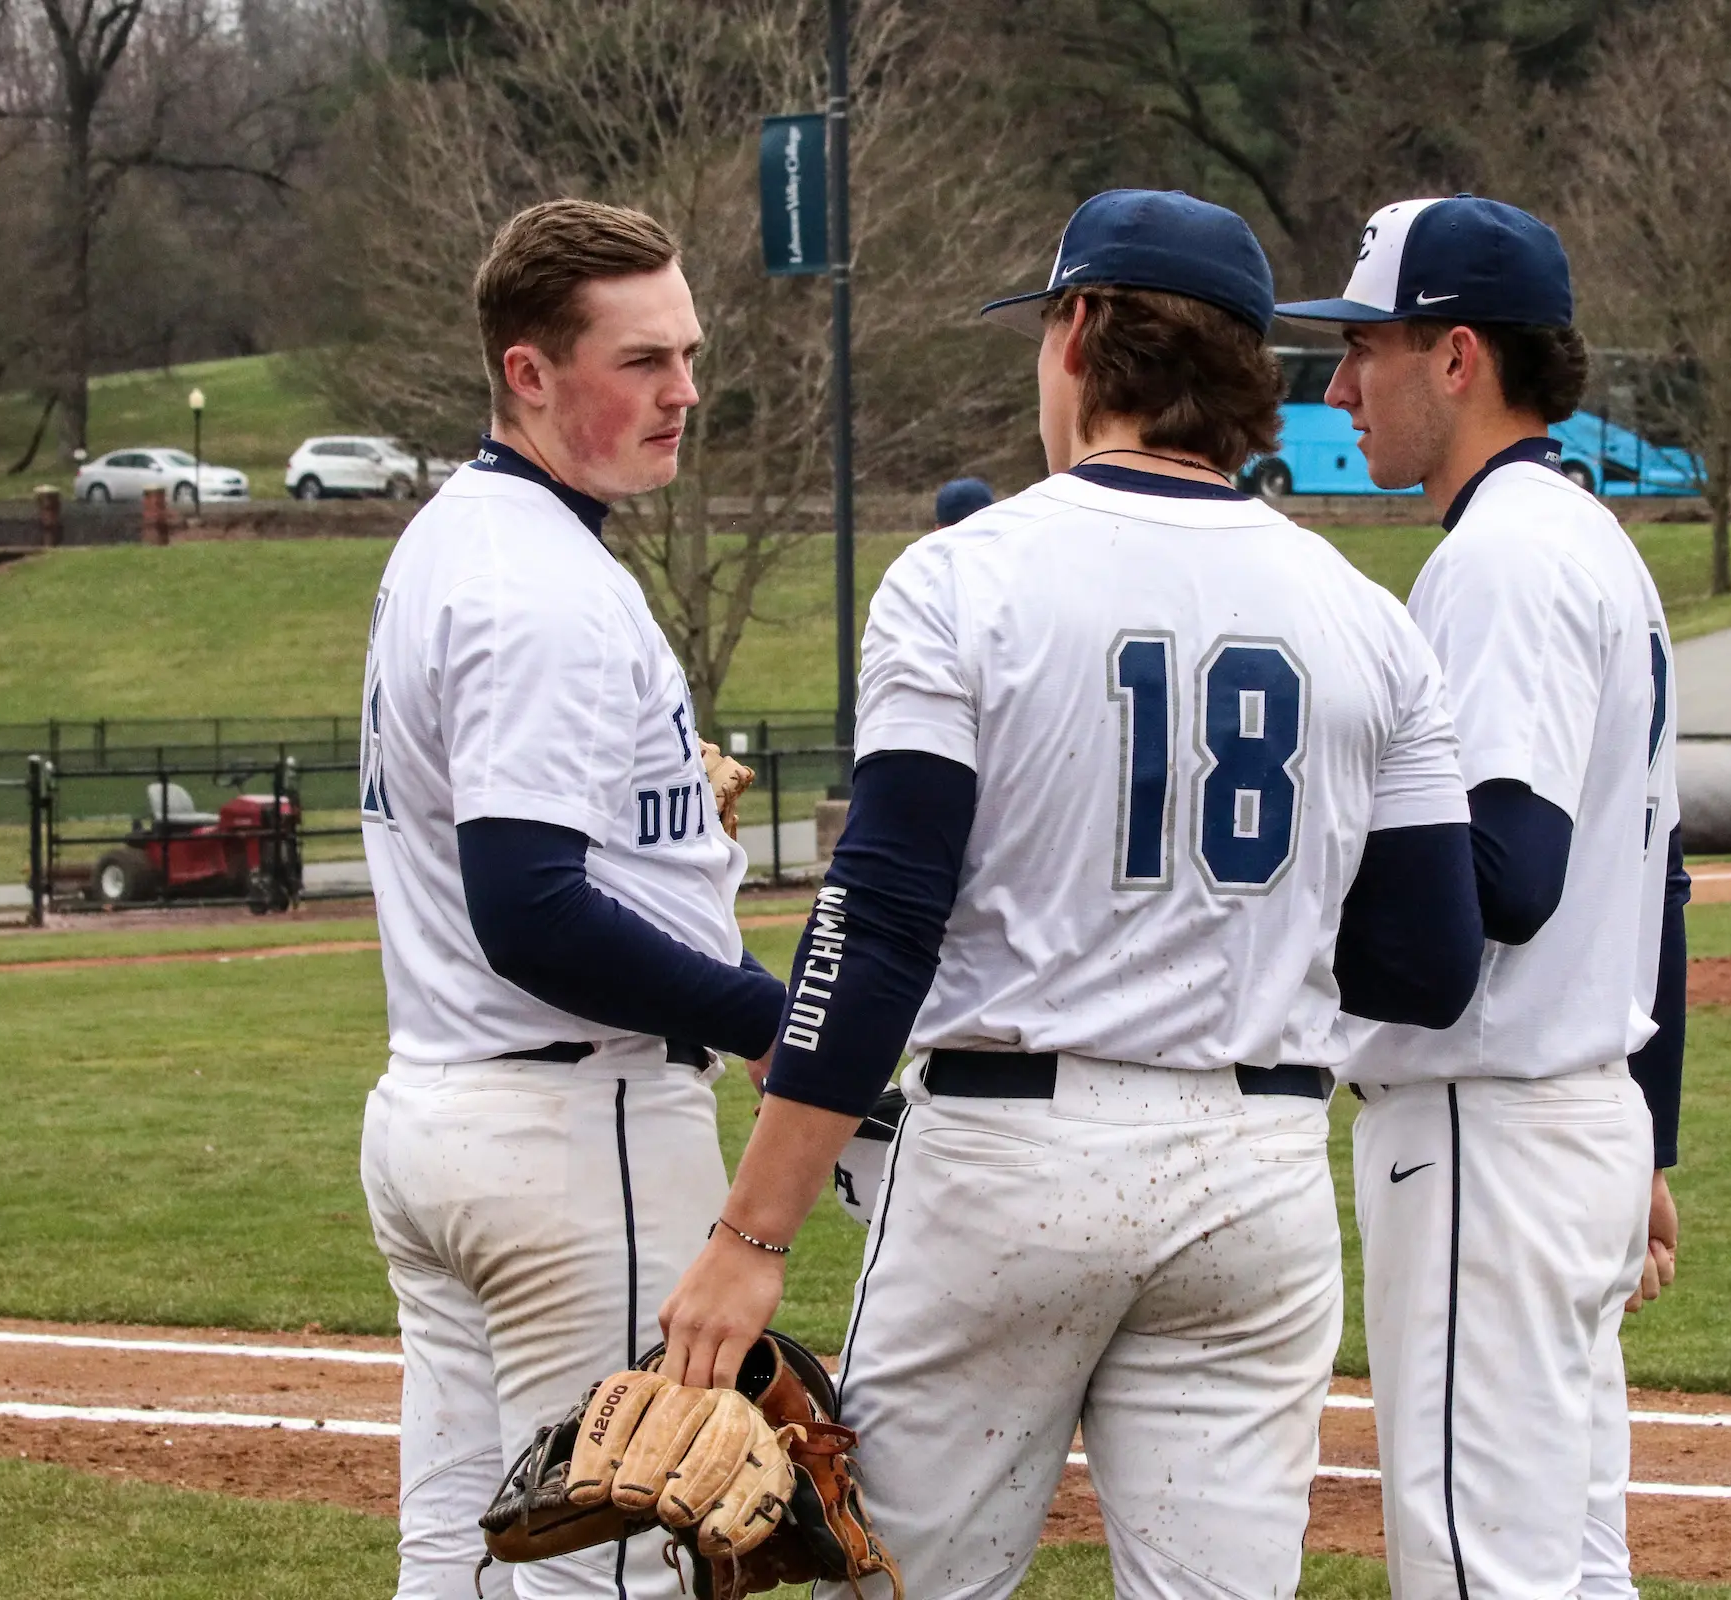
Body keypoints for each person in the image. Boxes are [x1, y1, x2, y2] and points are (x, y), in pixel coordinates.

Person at [653, 188, 1487, 1600]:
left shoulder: (958, 581)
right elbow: (1431, 960)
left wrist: (750, 1239)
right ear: (1246, 372)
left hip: (1010, 1163)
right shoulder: (1370, 618)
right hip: (1255, 1171)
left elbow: (882, 920)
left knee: (901, 1587)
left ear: (1083, 329)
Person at [356, 198, 787, 1600]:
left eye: (688, 353)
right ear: (529, 374)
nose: (685, 391)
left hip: (444, 1113)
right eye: (643, 360)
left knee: (459, 1558)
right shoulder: (535, 582)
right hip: (569, 1122)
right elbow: (530, 908)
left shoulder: (465, 536)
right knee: (613, 1570)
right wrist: (760, 1016)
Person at [1277, 194, 1688, 1600]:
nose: (1339, 386)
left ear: (1457, 357)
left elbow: (1505, 878)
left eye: (1365, 348)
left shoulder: (1501, 558)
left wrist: (1279, 901)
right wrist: (1653, 1140)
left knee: (1476, 1572)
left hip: (1485, 1133)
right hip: (1575, 1117)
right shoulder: (1588, 542)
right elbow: (1662, 885)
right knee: (1572, 1567)